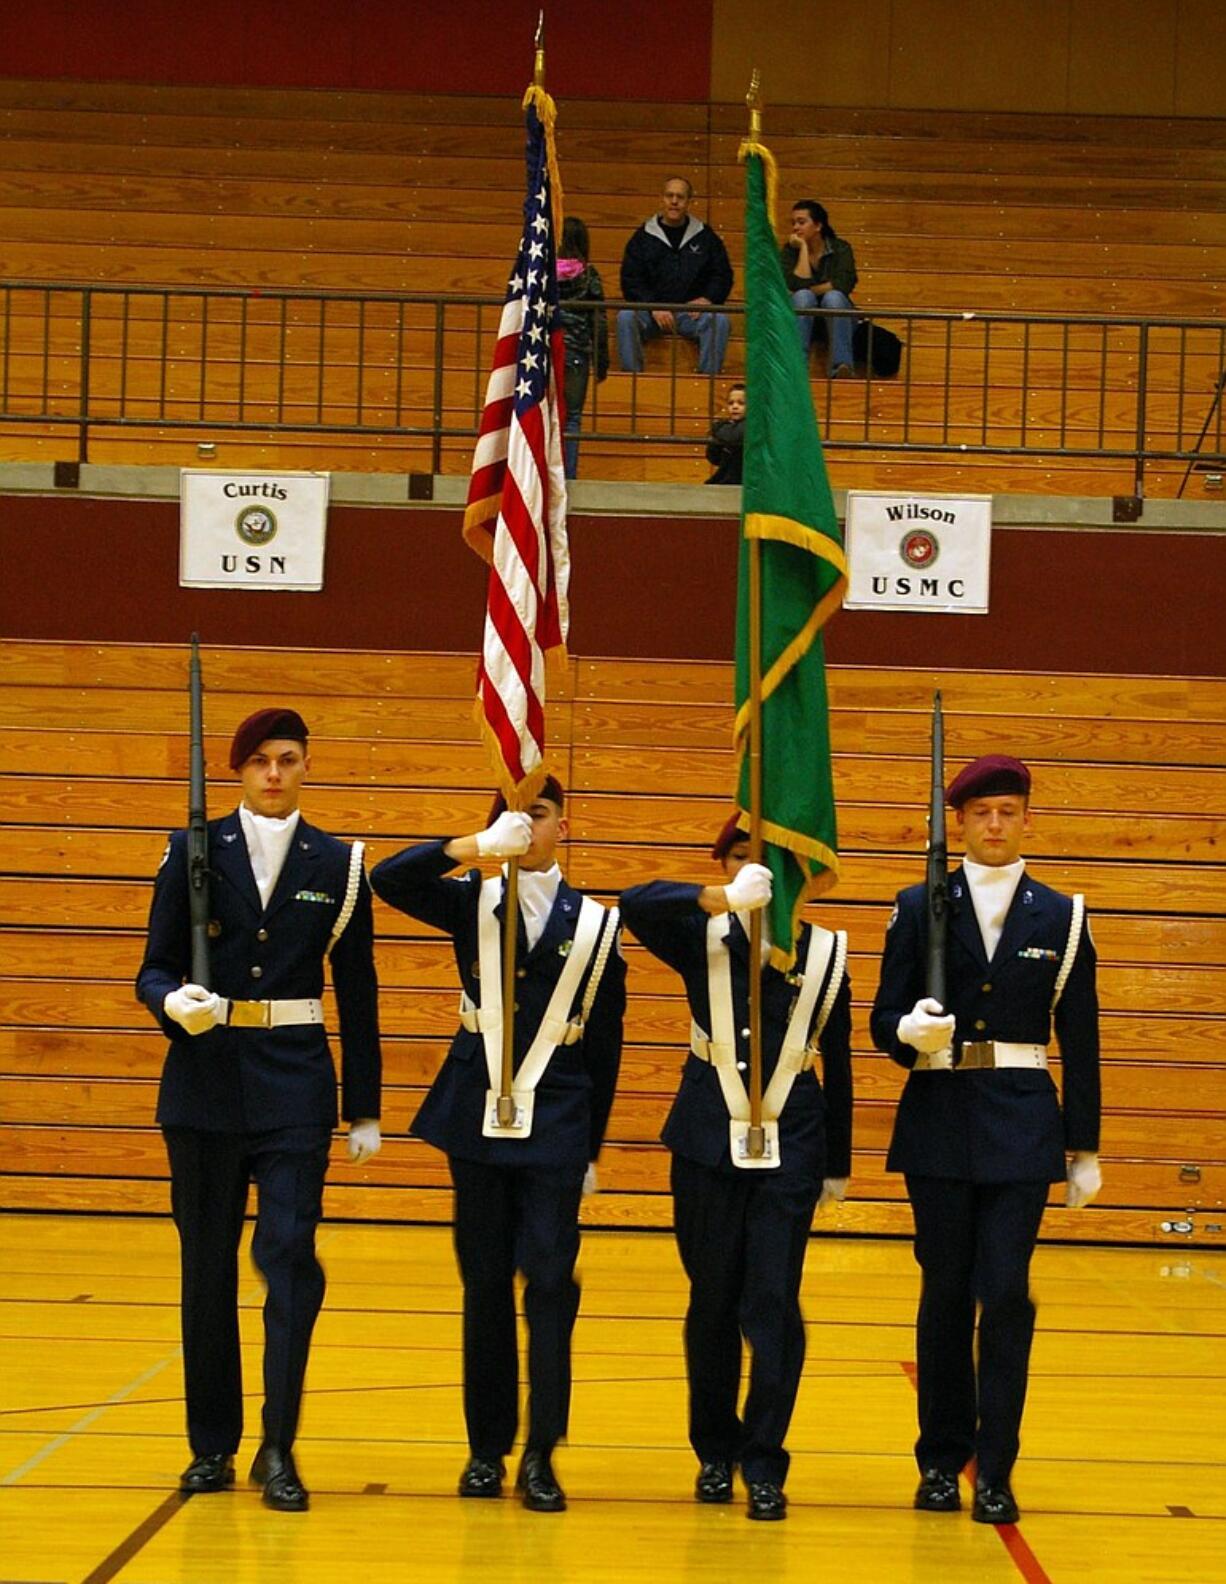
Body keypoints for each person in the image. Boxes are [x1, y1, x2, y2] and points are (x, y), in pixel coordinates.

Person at [136, 707, 382, 1513]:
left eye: (288, 759)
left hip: (294, 1088)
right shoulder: (193, 849)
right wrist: (176, 1002)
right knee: (205, 1273)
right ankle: (212, 1446)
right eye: (259, 762)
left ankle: (280, 1447)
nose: (273, 773)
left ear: (306, 765)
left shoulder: (339, 864)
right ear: (238, 770)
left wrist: (364, 1108)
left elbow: (358, 994)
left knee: (288, 1262)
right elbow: (152, 968)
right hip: (204, 1086)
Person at [369, 777, 624, 1513]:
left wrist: (593, 1152)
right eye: (513, 816)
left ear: (562, 825)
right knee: (483, 1287)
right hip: (475, 1117)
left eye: (537, 815)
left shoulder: (598, 926)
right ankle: (486, 1450)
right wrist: (473, 849)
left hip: (558, 1124)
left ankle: (542, 1451)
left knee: (549, 1287)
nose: (527, 826)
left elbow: (605, 1044)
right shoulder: (470, 901)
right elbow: (390, 880)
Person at [870, 755, 1101, 1526]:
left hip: (1021, 1122)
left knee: (1004, 1297)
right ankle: (940, 1462)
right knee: (943, 1296)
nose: (995, 825)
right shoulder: (916, 904)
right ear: (958, 823)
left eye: (1008, 811)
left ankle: (995, 1469)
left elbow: (1082, 1036)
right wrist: (909, 1033)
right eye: (980, 814)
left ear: (1027, 818)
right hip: (939, 1117)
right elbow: (882, 1022)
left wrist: (1085, 1146)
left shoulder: (1063, 916)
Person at [620, 816, 852, 1522]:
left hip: (794, 1143)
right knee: (713, 1299)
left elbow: (835, 1062)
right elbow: (634, 903)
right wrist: (717, 897)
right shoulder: (701, 938)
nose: (762, 873)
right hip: (705, 1141)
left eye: (774, 862)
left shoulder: (826, 954)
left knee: (773, 1301)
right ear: (724, 863)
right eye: (744, 858)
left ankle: (765, 1459)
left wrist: (837, 1162)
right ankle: (715, 1452)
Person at [617, 176, 733, 375]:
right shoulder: (642, 237)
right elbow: (631, 279)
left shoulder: (705, 237)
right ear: (661, 199)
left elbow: (722, 274)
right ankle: (632, 379)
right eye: (669, 195)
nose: (674, 201)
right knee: (626, 318)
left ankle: (707, 382)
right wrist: (652, 306)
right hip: (651, 314)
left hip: (690, 314)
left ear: (689, 202)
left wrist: (707, 298)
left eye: (680, 197)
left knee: (719, 321)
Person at [556, 216, 609, 480]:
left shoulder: (541, 273)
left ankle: (543, 474)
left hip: (546, 351)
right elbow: (598, 319)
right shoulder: (589, 275)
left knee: (545, 415)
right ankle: (568, 475)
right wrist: (601, 362)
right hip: (576, 351)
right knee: (573, 417)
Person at [782, 199, 858, 377]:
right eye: (793, 223)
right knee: (803, 297)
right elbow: (796, 286)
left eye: (801, 222)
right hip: (802, 316)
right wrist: (803, 250)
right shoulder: (789, 251)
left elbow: (844, 283)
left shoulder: (841, 248)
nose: (795, 228)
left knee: (833, 297)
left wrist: (810, 290)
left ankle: (841, 367)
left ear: (818, 226)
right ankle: (797, 368)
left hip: (836, 316)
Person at [704, 382, 745, 485]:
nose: (735, 407)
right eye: (731, 403)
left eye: (741, 403)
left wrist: (716, 429)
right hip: (726, 478)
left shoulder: (751, 425)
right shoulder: (724, 425)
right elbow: (713, 458)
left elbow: (733, 437)